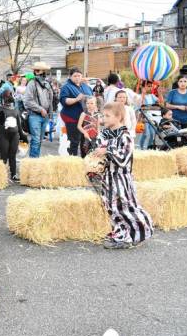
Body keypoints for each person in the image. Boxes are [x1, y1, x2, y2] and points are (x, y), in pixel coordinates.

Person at [91, 102, 153, 249]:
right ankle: (121, 233)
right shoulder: (103, 134)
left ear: (119, 117)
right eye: (102, 115)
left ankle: (136, 233)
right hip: (107, 177)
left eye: (107, 116)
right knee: (111, 207)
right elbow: (97, 151)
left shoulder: (126, 136)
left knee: (125, 206)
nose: (104, 118)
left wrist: (108, 150)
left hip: (120, 177)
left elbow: (123, 159)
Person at [0, 91, 27, 182]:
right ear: (3, 98)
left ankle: (13, 174)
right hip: (3, 135)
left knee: (12, 156)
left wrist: (23, 136)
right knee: (4, 156)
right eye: (7, 97)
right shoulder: (0, 109)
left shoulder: (15, 109)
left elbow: (19, 126)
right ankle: (2, 175)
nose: (9, 98)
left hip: (14, 136)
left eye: (10, 96)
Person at [60, 67, 93, 156]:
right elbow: (64, 101)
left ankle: (84, 162)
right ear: (70, 76)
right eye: (75, 76)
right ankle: (73, 162)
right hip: (72, 117)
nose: (77, 77)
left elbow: (92, 98)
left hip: (86, 118)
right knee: (74, 142)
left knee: (86, 142)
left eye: (79, 75)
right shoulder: (66, 87)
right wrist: (76, 99)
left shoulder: (85, 86)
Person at [23, 62, 54, 158]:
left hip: (45, 117)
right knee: (36, 140)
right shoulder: (31, 83)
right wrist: (40, 109)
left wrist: (50, 115)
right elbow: (27, 101)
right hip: (34, 115)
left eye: (40, 70)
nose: (38, 72)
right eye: (36, 70)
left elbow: (50, 100)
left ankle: (36, 160)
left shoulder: (47, 84)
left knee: (39, 140)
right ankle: (33, 162)